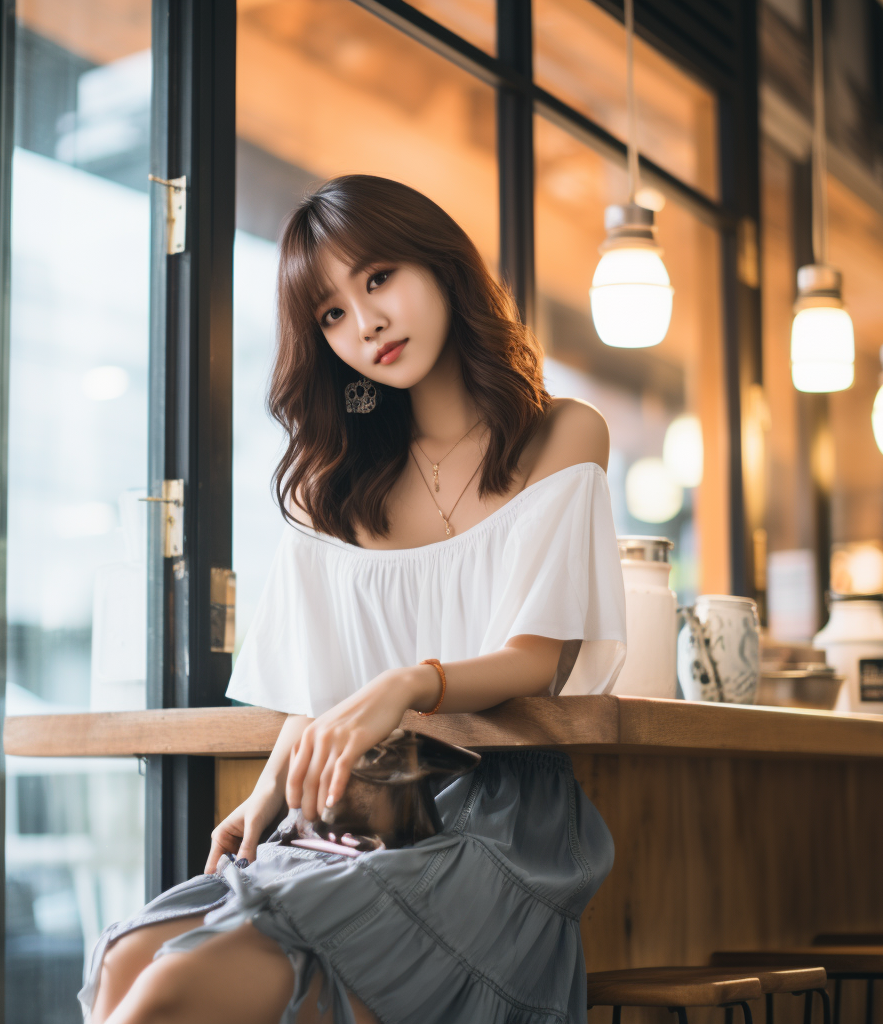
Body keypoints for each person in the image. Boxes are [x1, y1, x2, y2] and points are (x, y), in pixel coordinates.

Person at [79, 174, 627, 1024]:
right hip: (351, 809)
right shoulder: (337, 485)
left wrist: (405, 686)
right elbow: (320, 690)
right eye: (330, 313)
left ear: (444, 267)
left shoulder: (565, 433)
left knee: (172, 992)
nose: (364, 323)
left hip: (501, 817)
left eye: (377, 279)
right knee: (126, 963)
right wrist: (265, 797)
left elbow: (535, 663)